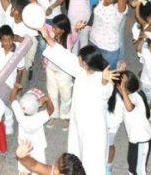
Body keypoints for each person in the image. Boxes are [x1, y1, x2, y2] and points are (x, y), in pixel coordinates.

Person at [40, 26, 118, 175]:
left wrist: (104, 80)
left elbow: (105, 91)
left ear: (85, 63)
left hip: (93, 128)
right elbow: (63, 56)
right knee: (77, 153)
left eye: (80, 58)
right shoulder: (80, 70)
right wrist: (47, 37)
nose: (77, 59)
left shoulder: (102, 77)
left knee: (92, 160)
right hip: (78, 122)